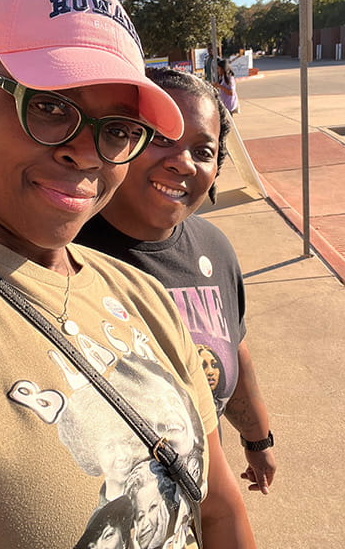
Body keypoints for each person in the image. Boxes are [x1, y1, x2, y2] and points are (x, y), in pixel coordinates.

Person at [0, 0, 256, 549]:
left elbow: (217, 512)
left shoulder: (142, 295)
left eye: (118, 128)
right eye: (48, 106)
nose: (86, 150)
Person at [76, 67, 276, 495]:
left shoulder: (214, 247)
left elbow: (232, 346)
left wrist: (257, 438)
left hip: (201, 493)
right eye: (162, 138)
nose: (183, 162)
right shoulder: (67, 255)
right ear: (120, 141)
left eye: (202, 151)